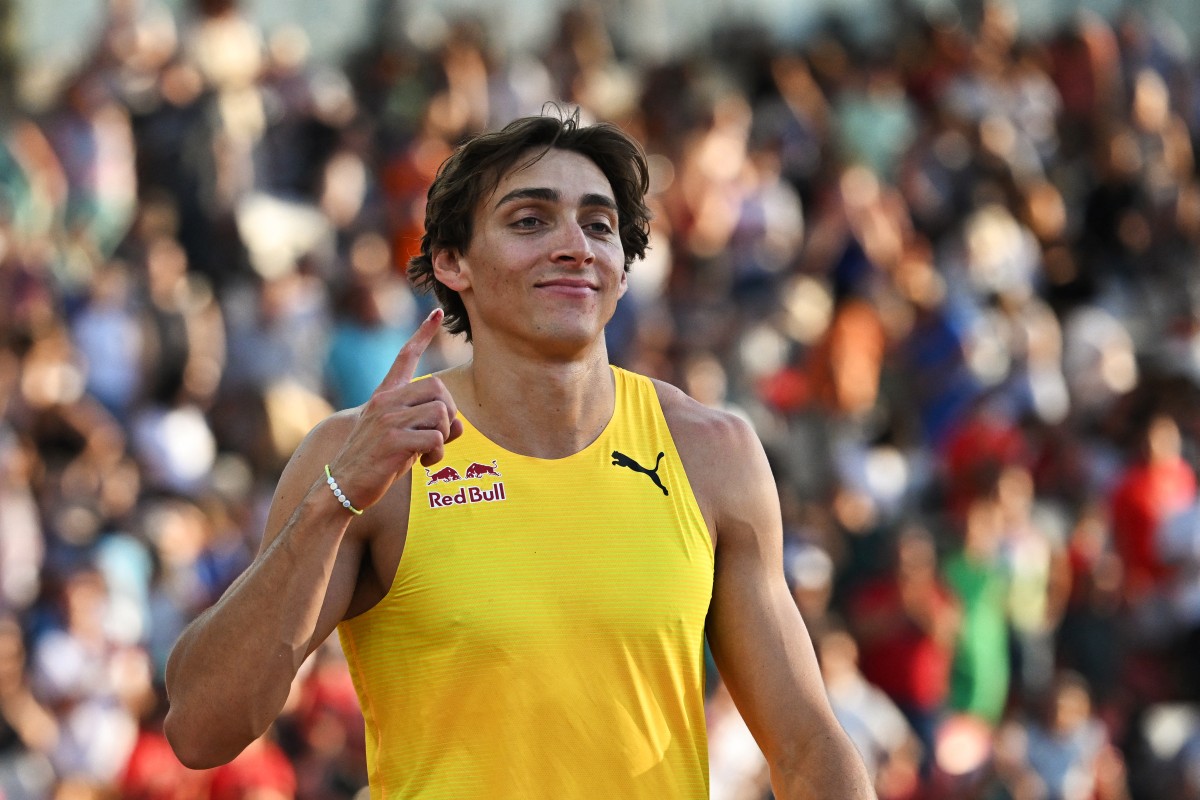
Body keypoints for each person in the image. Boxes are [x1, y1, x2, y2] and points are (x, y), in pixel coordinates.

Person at [162, 109, 874, 799]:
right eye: (530, 220)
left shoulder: (713, 453)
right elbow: (201, 729)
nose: (575, 245)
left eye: (599, 225)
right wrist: (333, 499)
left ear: (623, 268)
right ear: (452, 262)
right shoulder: (363, 453)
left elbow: (807, 746)